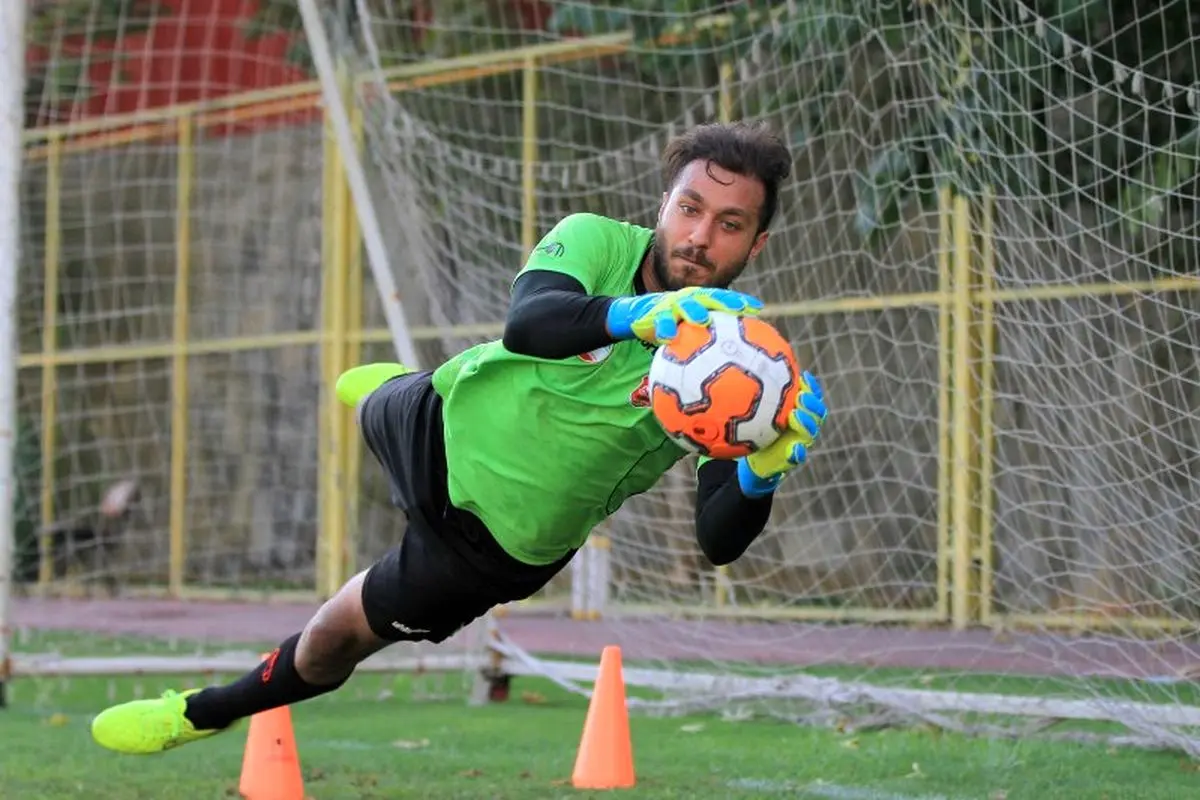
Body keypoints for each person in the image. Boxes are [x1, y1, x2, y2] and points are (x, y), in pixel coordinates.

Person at [89, 120, 829, 755]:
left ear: (756, 244)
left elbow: (718, 540)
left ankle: (199, 713)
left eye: (729, 224)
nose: (699, 236)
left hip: (488, 547)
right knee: (377, 402)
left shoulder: (740, 369)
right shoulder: (596, 241)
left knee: (331, 640)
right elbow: (529, 322)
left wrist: (759, 472)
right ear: (664, 203)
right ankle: (382, 390)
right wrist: (631, 316)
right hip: (439, 416)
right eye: (690, 208)